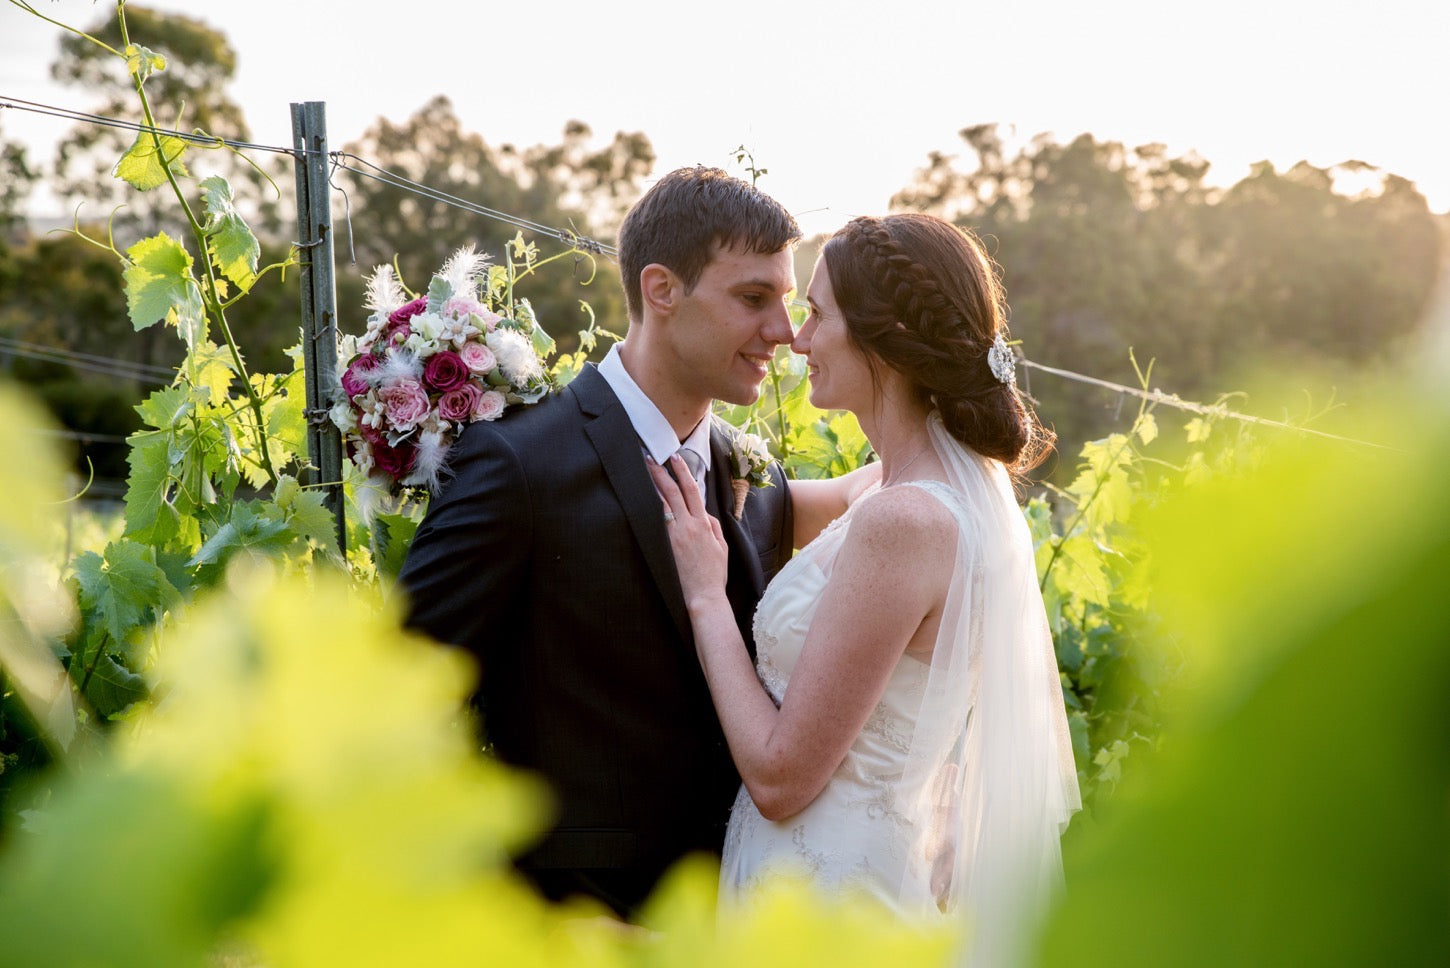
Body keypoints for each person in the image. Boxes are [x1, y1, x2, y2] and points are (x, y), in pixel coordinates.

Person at [396, 166, 871, 918]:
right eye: (753, 298)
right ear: (662, 290)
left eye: (785, 301)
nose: (783, 332)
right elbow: (397, 694)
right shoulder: (519, 464)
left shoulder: (758, 475)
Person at [649, 213, 1082, 966]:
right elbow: (758, 501)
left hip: (833, 904)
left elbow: (782, 776)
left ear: (885, 337)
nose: (795, 337)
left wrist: (706, 599)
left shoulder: (905, 521)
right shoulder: (907, 486)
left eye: (817, 313)